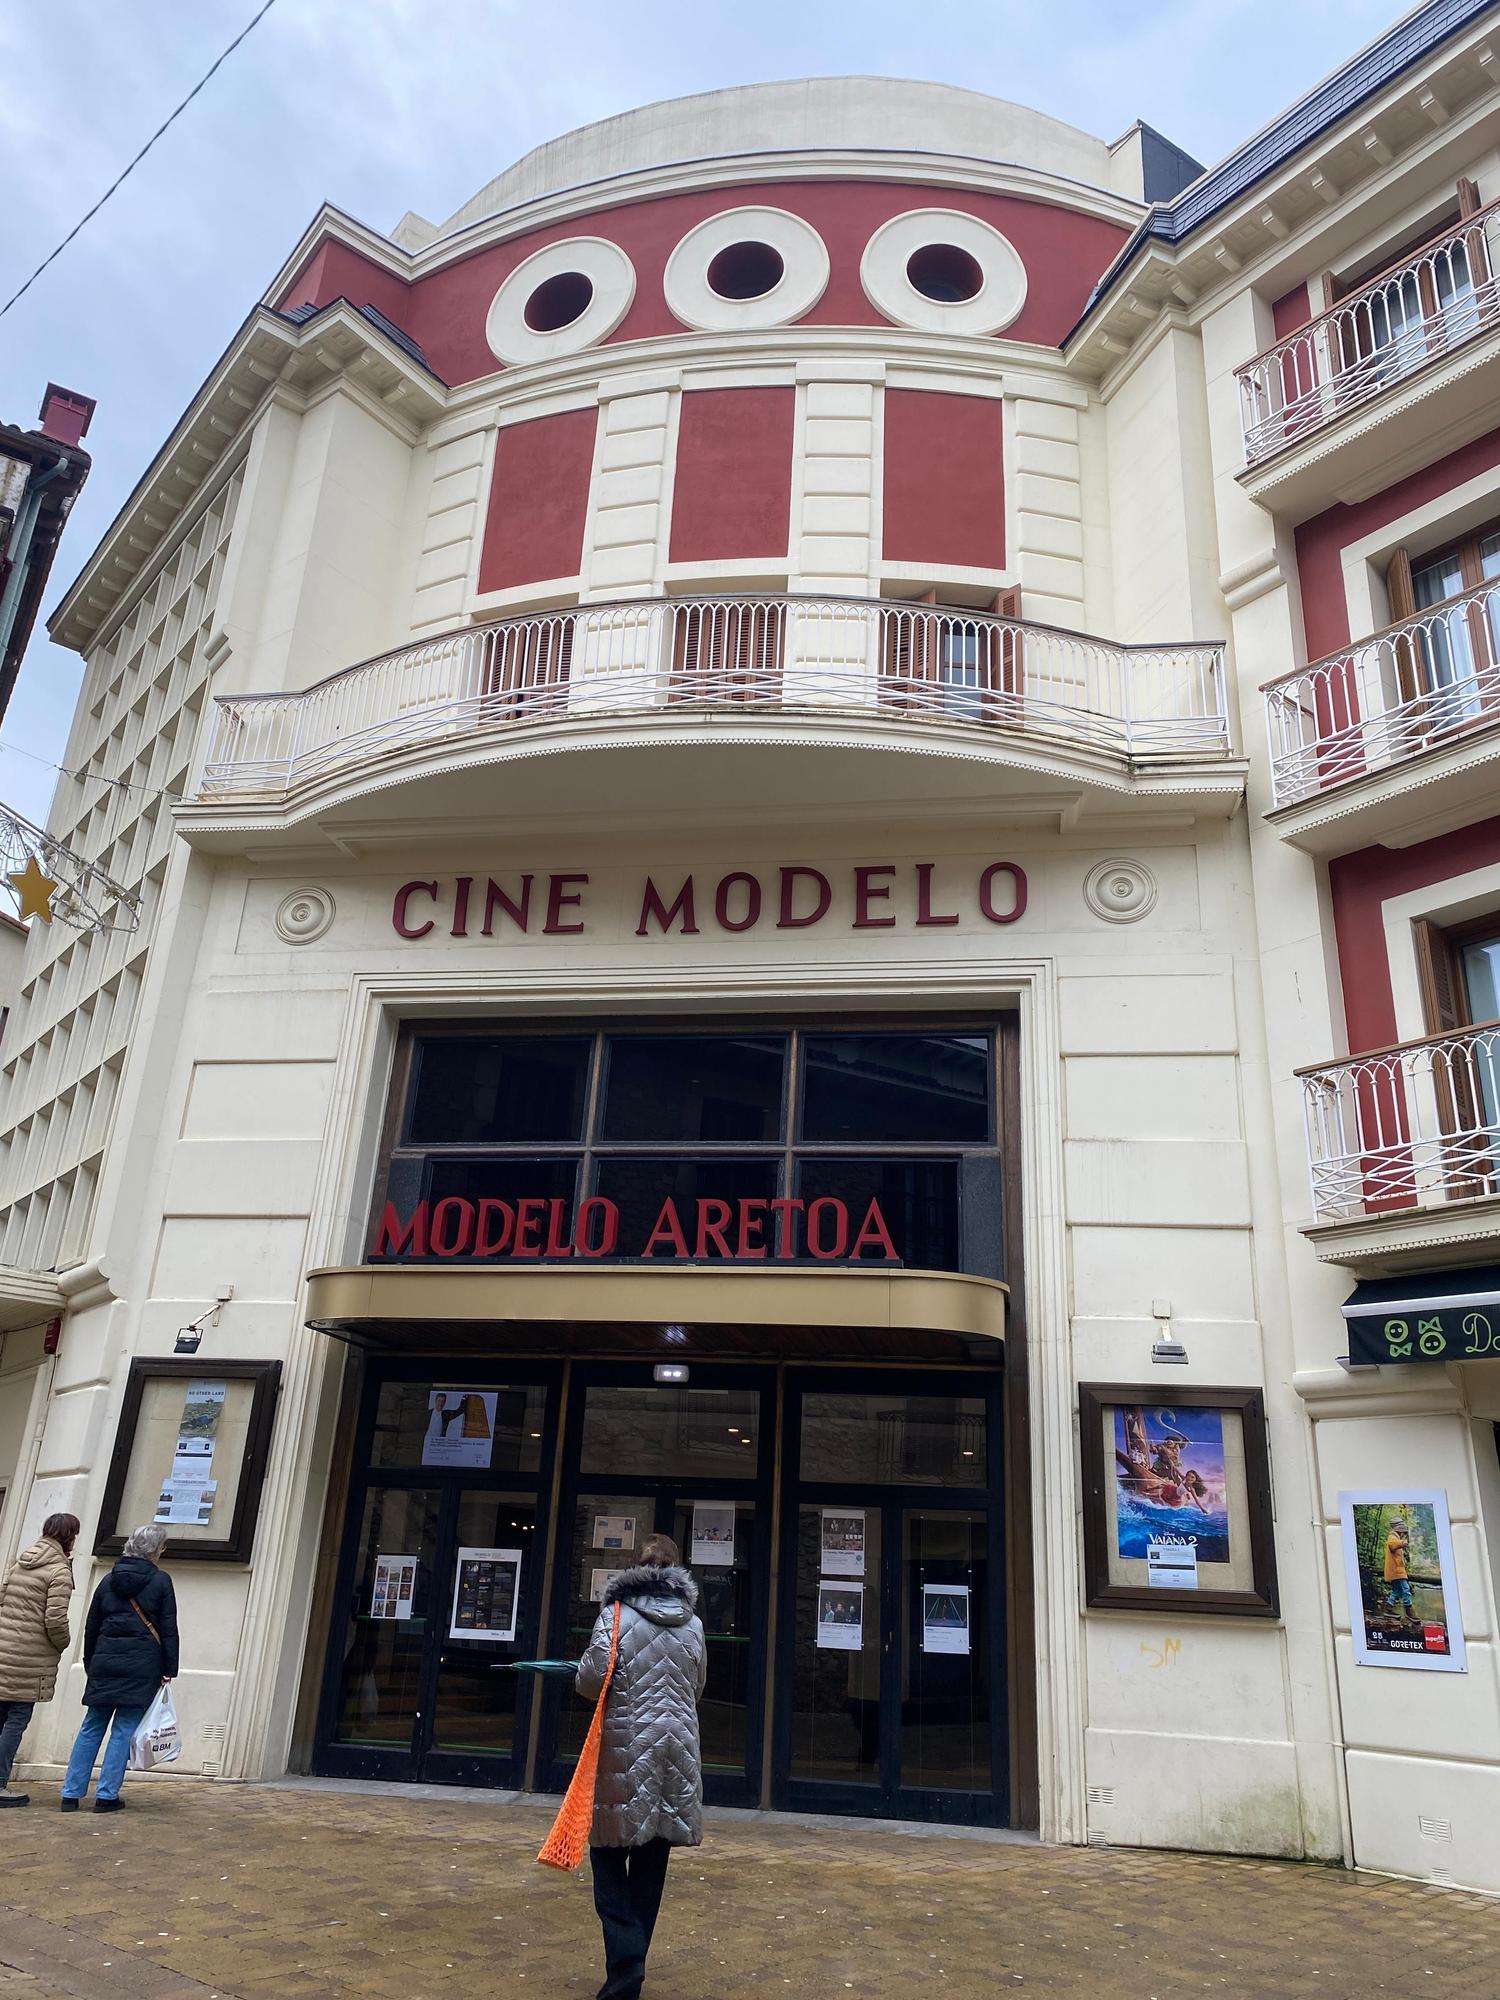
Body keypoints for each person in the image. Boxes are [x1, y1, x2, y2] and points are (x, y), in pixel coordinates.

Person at [576, 1531, 706, 2000]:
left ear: (635, 1567)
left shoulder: (615, 1616)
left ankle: (625, 1964)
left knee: (608, 1855)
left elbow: (591, 1681)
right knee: (652, 1861)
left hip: (625, 1750)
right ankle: (631, 1965)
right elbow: (697, 1685)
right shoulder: (693, 1624)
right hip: (676, 1751)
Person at [61, 1523, 178, 1813]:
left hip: (104, 1663)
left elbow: (92, 1626)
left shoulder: (108, 1580)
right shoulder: (161, 1581)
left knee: (92, 1725)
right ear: (154, 1550)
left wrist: (91, 1661)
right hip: (142, 1665)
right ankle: (106, 1795)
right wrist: (170, 1668)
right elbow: (168, 1628)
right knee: (124, 1728)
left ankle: (70, 1793)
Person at [0, 1512, 80, 1807]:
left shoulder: (20, 1563)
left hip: (4, 1652)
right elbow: (55, 1620)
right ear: (70, 1537)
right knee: (16, 1720)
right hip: (31, 1660)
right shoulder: (59, 1571)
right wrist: (64, 1643)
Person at [1384, 1517, 1415, 1621]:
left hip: (1397, 1571)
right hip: (1396, 1571)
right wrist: (1402, 1543)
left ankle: (1388, 1609)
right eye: (1402, 1532)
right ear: (1398, 1530)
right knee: (1406, 1589)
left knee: (1396, 1590)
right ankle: (1409, 1611)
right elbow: (1392, 1545)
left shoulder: (1395, 1538)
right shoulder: (1392, 1537)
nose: (1403, 1534)